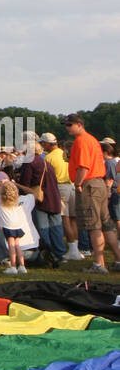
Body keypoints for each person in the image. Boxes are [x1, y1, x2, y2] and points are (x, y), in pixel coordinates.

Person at [65, 114, 119, 274]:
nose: (67, 128)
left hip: (89, 185)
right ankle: (117, 259)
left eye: (69, 125)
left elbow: (83, 166)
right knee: (107, 224)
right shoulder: (92, 139)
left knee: (93, 225)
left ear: (79, 125)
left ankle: (98, 264)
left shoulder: (81, 141)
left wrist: (78, 183)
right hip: (99, 184)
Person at [15, 141, 64, 266]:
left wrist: (16, 186)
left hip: (40, 199)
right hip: (54, 198)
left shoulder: (30, 163)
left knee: (42, 229)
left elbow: (26, 182)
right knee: (56, 227)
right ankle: (59, 253)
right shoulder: (46, 163)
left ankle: (46, 254)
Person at [0, 181, 27, 274]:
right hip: (17, 224)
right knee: (17, 245)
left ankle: (13, 266)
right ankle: (22, 266)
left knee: (11, 245)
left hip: (8, 225)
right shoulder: (15, 199)